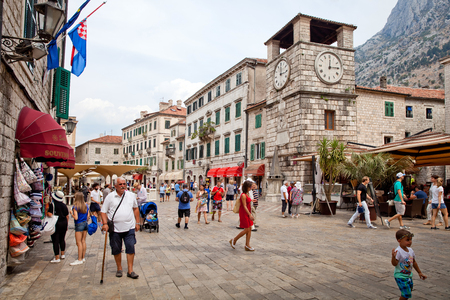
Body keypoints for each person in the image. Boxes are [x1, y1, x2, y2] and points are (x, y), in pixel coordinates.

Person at [101, 178, 140, 279]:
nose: (123, 186)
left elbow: (135, 209)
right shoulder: (110, 197)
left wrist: (138, 222)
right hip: (115, 228)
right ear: (115, 186)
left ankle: (130, 270)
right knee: (116, 248)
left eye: (124, 184)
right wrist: (105, 223)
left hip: (129, 227)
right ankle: (119, 268)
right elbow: (103, 211)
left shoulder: (131, 195)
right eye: (120, 184)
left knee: (131, 246)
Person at [391, 229, 427, 300]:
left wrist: (419, 272)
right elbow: (394, 264)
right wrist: (393, 256)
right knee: (406, 294)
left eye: (411, 239)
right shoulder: (398, 251)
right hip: (400, 276)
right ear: (399, 240)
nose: (410, 242)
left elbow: (413, 262)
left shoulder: (410, 251)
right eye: (407, 240)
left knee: (409, 291)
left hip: (408, 276)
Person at [229, 180, 255, 251]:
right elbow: (244, 206)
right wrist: (250, 215)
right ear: (246, 187)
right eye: (250, 186)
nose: (251, 188)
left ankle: (247, 245)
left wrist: (251, 200)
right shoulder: (243, 195)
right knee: (246, 229)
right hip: (244, 213)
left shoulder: (247, 193)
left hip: (248, 213)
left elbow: (247, 201)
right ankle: (234, 240)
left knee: (249, 229)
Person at [48, 191, 69, 263]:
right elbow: (67, 215)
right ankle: (62, 254)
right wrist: (67, 224)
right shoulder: (64, 205)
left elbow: (50, 214)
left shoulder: (52, 205)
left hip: (56, 224)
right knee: (62, 239)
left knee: (55, 240)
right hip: (64, 223)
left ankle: (57, 257)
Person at [69, 192, 90, 266]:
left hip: (79, 224)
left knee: (78, 242)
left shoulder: (75, 207)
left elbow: (76, 217)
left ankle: (79, 259)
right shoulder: (86, 205)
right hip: (85, 224)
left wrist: (71, 213)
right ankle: (83, 257)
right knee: (83, 241)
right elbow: (88, 216)